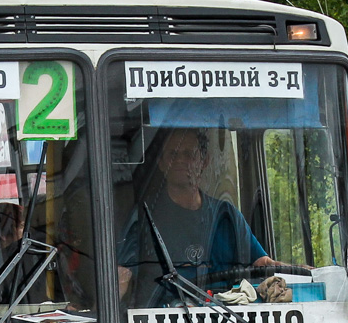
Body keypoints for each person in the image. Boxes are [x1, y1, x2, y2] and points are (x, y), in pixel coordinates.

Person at [116, 129, 276, 306]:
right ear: (161, 163)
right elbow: (121, 277)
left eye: (189, 154)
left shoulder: (226, 216)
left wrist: (301, 272)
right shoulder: (144, 218)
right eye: (173, 154)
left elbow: (262, 264)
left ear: (204, 161)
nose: (181, 160)